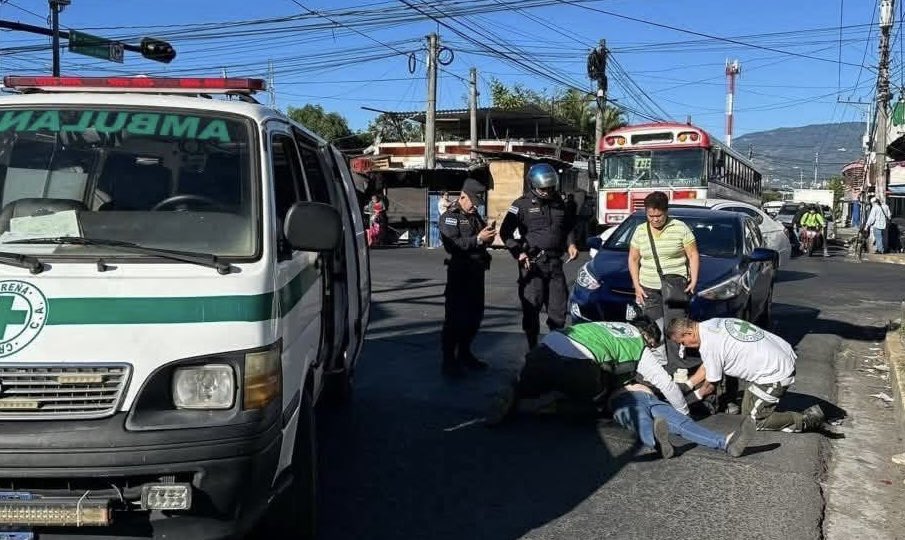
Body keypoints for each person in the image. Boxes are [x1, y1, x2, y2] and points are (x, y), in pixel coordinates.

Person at [486, 317, 753, 458]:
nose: (650, 348)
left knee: (533, 385)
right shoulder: (637, 343)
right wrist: (684, 410)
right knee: (595, 405)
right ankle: (721, 442)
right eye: (652, 344)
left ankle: (519, 395)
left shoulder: (608, 327)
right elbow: (665, 384)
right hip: (596, 380)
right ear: (647, 335)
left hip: (548, 349)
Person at [666, 317, 826, 433]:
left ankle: (806, 420)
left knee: (754, 421)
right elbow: (709, 365)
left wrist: (685, 402)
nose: (683, 347)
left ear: (688, 333)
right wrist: (686, 386)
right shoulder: (710, 325)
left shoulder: (709, 344)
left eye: (682, 342)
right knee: (746, 410)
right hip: (780, 355)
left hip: (775, 373)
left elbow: (709, 386)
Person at [499, 163, 578, 349]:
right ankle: (532, 347)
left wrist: (571, 243)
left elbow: (567, 228)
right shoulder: (520, 205)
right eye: (544, 189)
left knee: (558, 309)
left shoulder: (560, 203)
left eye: (551, 188)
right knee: (532, 308)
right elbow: (505, 233)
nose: (548, 192)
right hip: (532, 265)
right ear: (533, 186)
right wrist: (518, 252)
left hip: (555, 264)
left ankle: (556, 347)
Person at [628, 191, 699, 370]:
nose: (655, 219)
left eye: (658, 215)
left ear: (666, 212)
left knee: (675, 327)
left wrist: (694, 279)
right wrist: (636, 286)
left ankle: (678, 367)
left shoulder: (680, 227)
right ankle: (658, 367)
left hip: (675, 287)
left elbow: (693, 254)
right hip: (648, 288)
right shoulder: (640, 231)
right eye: (650, 216)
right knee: (654, 329)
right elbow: (633, 259)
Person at [439, 178, 496, 378]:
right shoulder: (450, 217)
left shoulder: (474, 216)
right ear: (462, 196)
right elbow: (452, 245)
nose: (475, 206)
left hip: (476, 273)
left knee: (474, 316)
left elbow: (479, 240)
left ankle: (465, 353)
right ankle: (449, 361)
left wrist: (486, 236)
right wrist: (479, 239)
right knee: (455, 319)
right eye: (473, 201)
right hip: (459, 274)